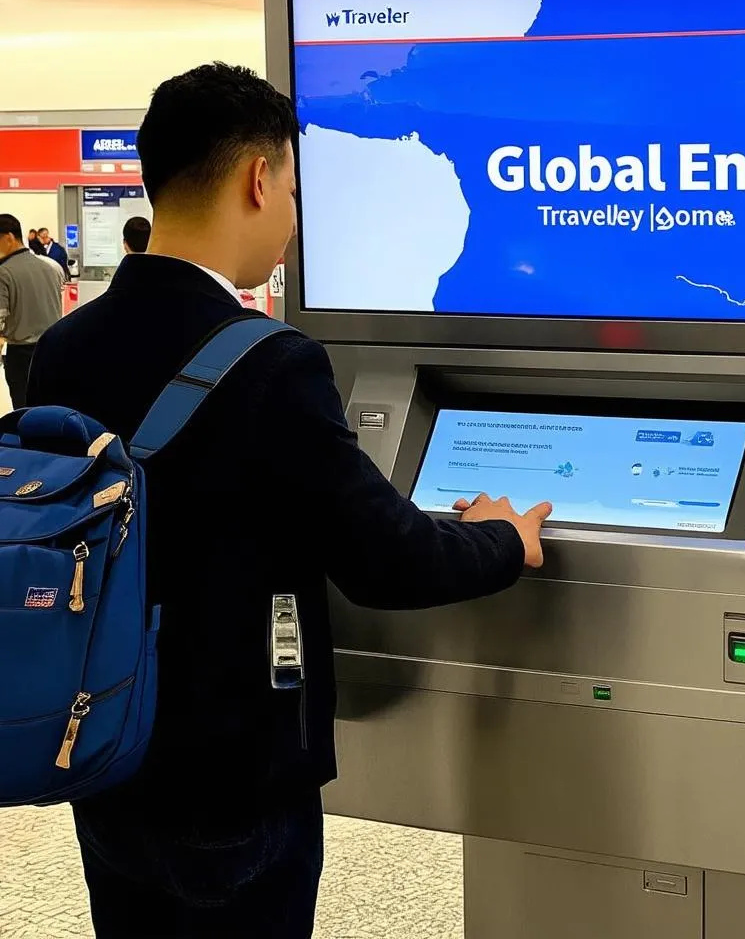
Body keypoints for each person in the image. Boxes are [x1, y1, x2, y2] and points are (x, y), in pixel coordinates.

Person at [27, 63, 552, 939]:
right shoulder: (272, 363)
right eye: (294, 188)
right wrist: (501, 540)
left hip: (108, 747)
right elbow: (387, 561)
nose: (294, 218)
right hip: (234, 770)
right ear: (257, 178)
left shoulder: (66, 349)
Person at [0, 214, 63, 409]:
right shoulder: (50, 267)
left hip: (21, 355)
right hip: (53, 349)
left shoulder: (4, 272)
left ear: (9, 237)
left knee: (24, 410)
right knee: (49, 407)